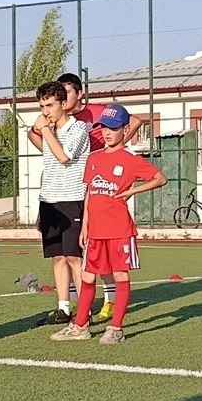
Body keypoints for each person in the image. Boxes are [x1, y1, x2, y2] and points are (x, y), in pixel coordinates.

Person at [51, 103, 167, 344]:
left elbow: (159, 178)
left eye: (113, 128)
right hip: (95, 232)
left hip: (119, 231)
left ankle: (116, 328)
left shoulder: (131, 160)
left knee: (120, 276)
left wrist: (133, 191)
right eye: (103, 127)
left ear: (125, 130)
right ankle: (80, 326)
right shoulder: (94, 159)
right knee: (88, 277)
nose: (106, 132)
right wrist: (84, 226)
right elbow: (90, 193)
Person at [55, 72, 146, 322]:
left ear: (79, 93)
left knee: (108, 253)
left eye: (67, 93)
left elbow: (135, 120)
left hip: (104, 185)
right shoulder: (62, 120)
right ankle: (75, 309)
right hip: (79, 184)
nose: (62, 100)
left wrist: (113, 150)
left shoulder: (97, 111)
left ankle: (110, 302)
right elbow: (37, 136)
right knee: (81, 251)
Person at [31, 79, 90, 326]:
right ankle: (63, 309)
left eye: (51, 105)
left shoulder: (79, 128)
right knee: (57, 257)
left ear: (64, 104)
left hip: (73, 199)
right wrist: (40, 208)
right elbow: (50, 166)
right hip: (50, 202)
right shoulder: (50, 130)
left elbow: (64, 157)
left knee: (75, 257)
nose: (46, 111)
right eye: (42, 106)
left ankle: (84, 311)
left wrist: (43, 130)